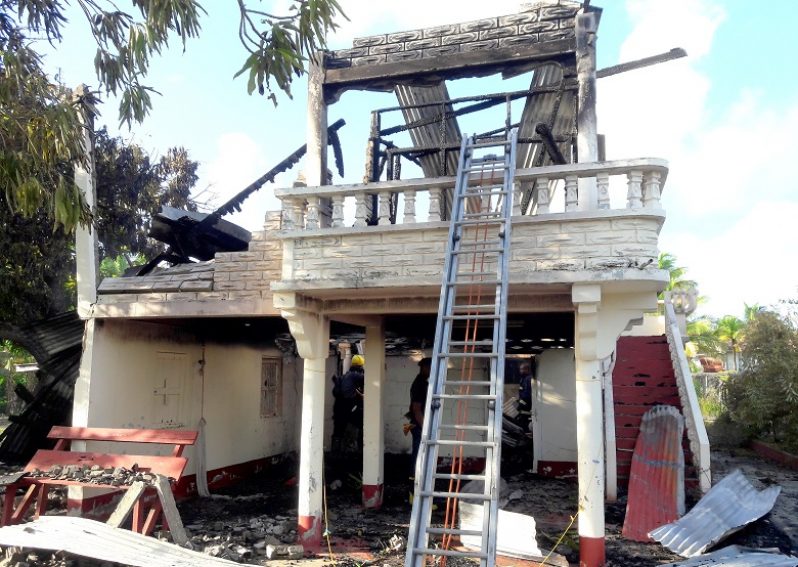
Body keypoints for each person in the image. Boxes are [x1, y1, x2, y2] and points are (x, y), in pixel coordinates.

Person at [407, 357, 432, 478]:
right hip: (418, 425)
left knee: (420, 452)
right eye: (430, 368)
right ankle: (414, 478)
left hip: (417, 423)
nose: (432, 370)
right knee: (418, 453)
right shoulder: (420, 384)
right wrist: (425, 428)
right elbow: (417, 410)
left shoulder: (422, 382)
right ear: (425, 368)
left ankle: (417, 476)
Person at [339, 354, 365, 451]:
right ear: (359, 367)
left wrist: (360, 395)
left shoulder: (347, 375)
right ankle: (355, 450)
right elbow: (367, 378)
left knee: (351, 429)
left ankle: (350, 449)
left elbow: (353, 389)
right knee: (358, 428)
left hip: (346, 407)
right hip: (352, 406)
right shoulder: (354, 375)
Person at [517, 360, 534, 433]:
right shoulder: (523, 379)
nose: (521, 371)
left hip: (527, 409)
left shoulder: (528, 379)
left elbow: (527, 395)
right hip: (523, 409)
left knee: (526, 427)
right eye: (520, 369)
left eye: (522, 369)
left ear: (527, 369)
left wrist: (521, 403)